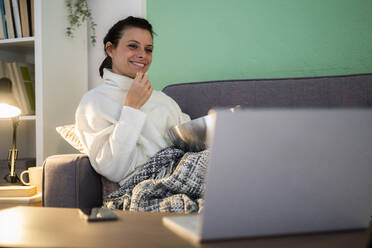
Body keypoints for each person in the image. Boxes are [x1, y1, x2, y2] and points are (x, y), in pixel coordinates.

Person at [75, 16, 190, 186]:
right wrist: (132, 107)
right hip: (148, 184)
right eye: (133, 46)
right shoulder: (93, 102)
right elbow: (113, 169)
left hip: (186, 170)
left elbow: (191, 141)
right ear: (110, 49)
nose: (142, 55)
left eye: (148, 49)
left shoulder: (163, 99)